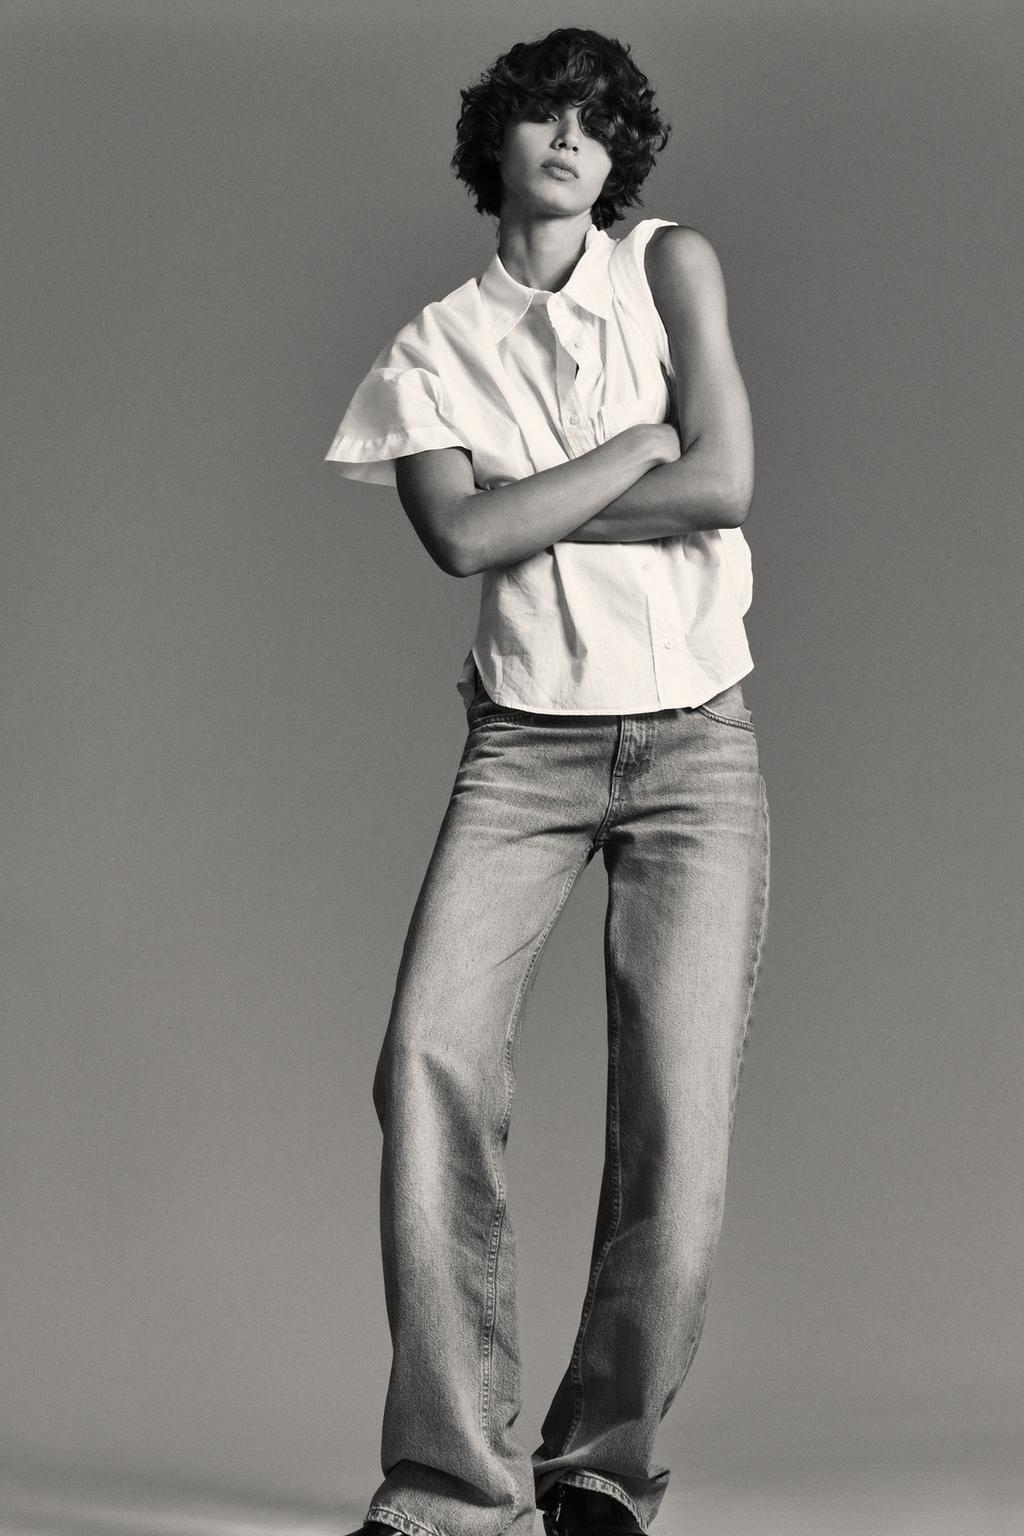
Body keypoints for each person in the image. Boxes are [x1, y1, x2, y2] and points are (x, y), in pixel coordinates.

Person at [326, 27, 770, 1536]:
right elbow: (460, 539)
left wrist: (540, 499)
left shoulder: (668, 266)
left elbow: (727, 483)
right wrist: (640, 444)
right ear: (496, 145)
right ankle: (452, 1479)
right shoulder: (430, 350)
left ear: (620, 150)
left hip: (697, 744)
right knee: (428, 1060)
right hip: (524, 749)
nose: (571, 136)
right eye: (542, 114)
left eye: (597, 118)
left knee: (676, 1113)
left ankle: (601, 1469)